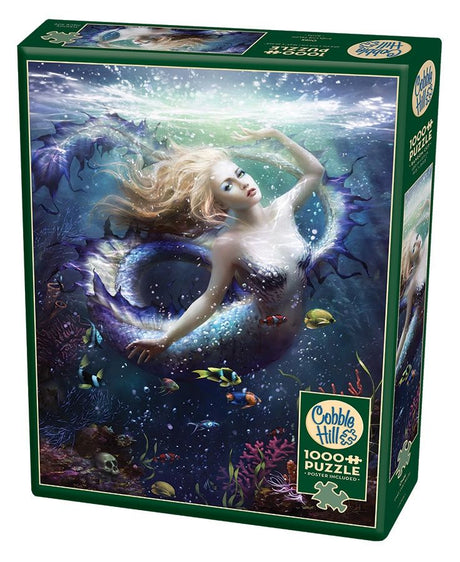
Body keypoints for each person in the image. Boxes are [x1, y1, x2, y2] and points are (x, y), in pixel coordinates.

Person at [99, 127, 324, 365]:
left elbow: (315, 172)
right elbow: (210, 300)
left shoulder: (283, 209)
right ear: (218, 201)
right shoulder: (229, 244)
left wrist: (276, 135)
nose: (243, 183)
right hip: (266, 337)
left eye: (240, 173)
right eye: (228, 186)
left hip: (306, 328)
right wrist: (167, 339)